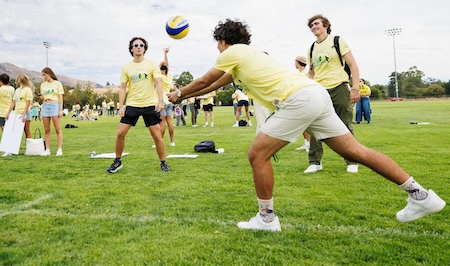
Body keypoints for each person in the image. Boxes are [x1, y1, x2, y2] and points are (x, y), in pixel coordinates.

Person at [167, 18, 446, 231]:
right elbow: (213, 84)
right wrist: (180, 95)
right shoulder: (248, 56)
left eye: (217, 42)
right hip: (315, 95)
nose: (216, 47)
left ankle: (266, 218)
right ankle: (420, 195)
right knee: (354, 152)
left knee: (257, 154)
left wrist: (178, 93)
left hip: (298, 99)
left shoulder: (232, 52)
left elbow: (205, 80)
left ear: (223, 40)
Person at [305, 14, 360, 174]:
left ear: (326, 25)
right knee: (315, 125)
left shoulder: (337, 41)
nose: (313, 27)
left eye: (316, 24)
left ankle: (352, 160)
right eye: (311, 26)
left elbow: (353, 65)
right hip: (320, 90)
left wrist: (355, 88)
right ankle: (315, 162)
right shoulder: (311, 48)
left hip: (339, 87)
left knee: (344, 124)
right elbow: (312, 73)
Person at [107, 37, 170, 173]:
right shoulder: (126, 67)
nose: (139, 47)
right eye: (136, 45)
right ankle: (118, 161)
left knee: (157, 135)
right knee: (120, 133)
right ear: (132, 48)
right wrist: (121, 105)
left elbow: (158, 83)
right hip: (132, 105)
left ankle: (163, 163)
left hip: (149, 104)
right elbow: (123, 88)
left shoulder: (152, 65)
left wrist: (160, 101)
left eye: (141, 45)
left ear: (144, 48)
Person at [4, 74, 34, 156]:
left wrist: (24, 115)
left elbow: (28, 103)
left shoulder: (27, 90)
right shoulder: (17, 90)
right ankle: (10, 150)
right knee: (13, 131)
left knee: (26, 130)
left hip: (25, 113)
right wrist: (8, 113)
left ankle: (29, 149)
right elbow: (13, 102)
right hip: (16, 113)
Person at [40, 68, 64, 156]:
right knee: (47, 130)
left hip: (54, 105)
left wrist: (60, 109)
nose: (44, 77)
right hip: (45, 105)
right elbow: (43, 96)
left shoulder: (57, 84)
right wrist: (40, 97)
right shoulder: (43, 85)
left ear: (49, 74)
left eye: (44, 75)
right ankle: (47, 149)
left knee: (57, 129)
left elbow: (60, 97)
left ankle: (59, 149)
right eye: (43, 75)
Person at [157, 47, 175, 146]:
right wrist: (165, 54)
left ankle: (160, 142)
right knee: (169, 122)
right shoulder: (169, 76)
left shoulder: (160, 77)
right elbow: (167, 65)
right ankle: (172, 142)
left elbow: (157, 68)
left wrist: (160, 64)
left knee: (162, 122)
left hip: (162, 101)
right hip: (169, 100)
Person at [294, 56, 311, 152]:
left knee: (307, 124)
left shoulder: (305, 74)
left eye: (295, 61)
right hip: (301, 100)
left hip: (305, 100)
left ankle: (309, 144)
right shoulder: (301, 73)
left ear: (298, 62)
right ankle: (306, 143)